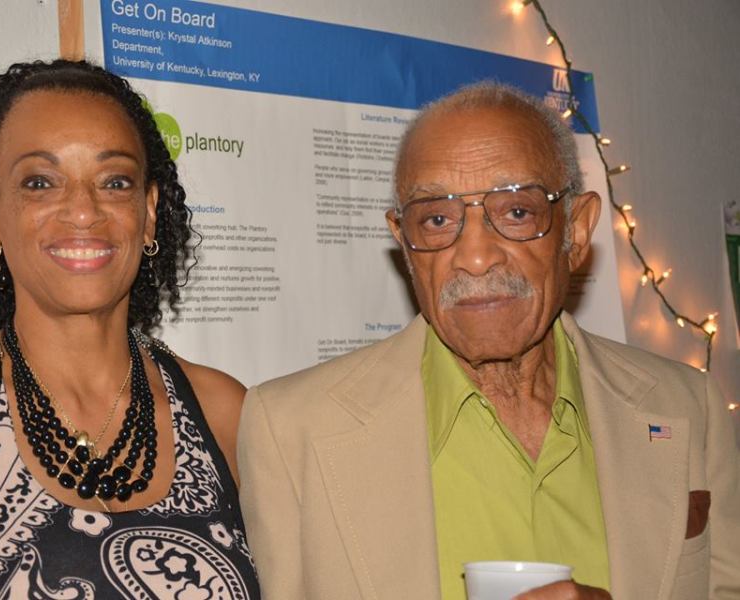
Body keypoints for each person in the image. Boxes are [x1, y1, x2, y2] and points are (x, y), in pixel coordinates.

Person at [237, 82, 740, 599]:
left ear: (576, 230)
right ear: (404, 243)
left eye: (517, 212)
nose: (476, 257)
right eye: (437, 219)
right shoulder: (290, 428)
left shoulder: (688, 406)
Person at [0, 60, 260, 599]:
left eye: (115, 182)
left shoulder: (224, 412)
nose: (83, 211)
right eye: (40, 183)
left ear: (150, 211)